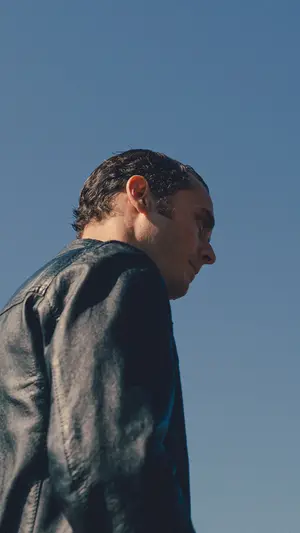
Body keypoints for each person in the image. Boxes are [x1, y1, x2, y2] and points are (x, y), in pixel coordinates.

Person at [0, 149, 216, 533]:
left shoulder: (22, 304)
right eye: (201, 224)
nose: (209, 252)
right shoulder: (119, 271)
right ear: (140, 195)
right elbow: (111, 467)